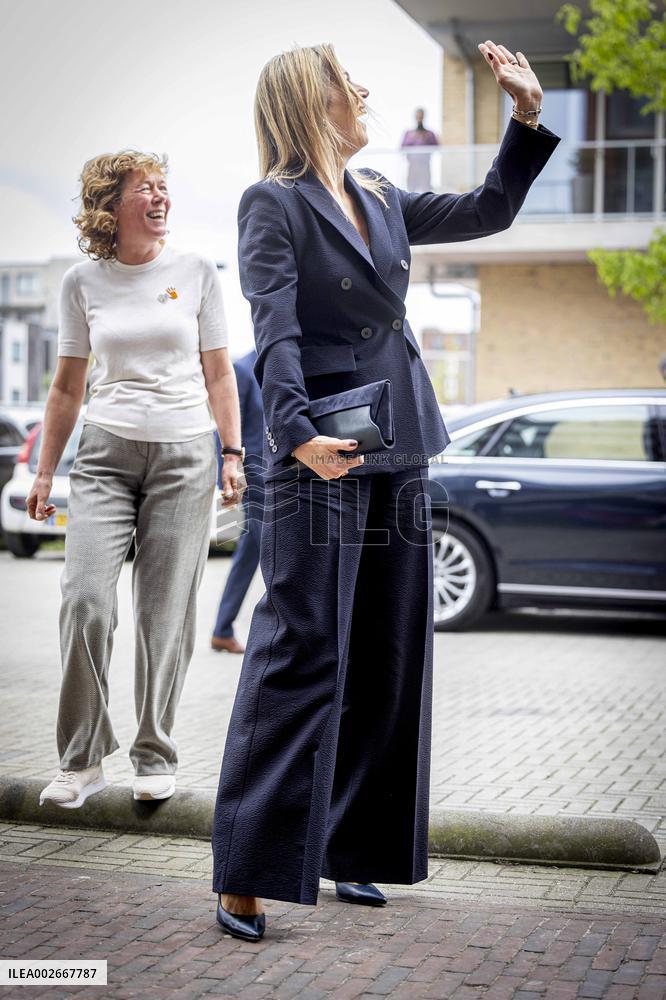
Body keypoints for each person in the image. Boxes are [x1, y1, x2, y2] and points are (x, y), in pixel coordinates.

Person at [211, 40, 560, 941]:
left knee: (387, 656)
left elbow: (487, 209)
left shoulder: (378, 195)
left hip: (398, 441)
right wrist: (295, 437)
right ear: (307, 99)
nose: (363, 91)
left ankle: (353, 850)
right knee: (301, 652)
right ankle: (245, 867)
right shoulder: (273, 202)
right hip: (319, 447)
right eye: (346, 82)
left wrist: (525, 118)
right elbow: (274, 331)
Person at [32, 149, 244, 809]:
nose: (159, 198)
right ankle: (82, 760)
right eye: (144, 188)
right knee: (86, 602)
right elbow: (67, 388)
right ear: (111, 206)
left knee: (164, 617)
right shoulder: (82, 282)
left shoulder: (197, 271)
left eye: (163, 187)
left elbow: (218, 373)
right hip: (104, 453)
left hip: (184, 456)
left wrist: (232, 453)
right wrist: (44, 471)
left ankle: (155, 753)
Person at [211, 348, 266, 654]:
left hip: (278, 476)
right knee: (272, 550)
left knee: (250, 553)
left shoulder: (284, 366)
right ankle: (285, 633)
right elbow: (226, 428)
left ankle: (221, 629)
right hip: (254, 479)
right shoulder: (242, 370)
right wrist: (230, 478)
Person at [400, 107, 439, 192]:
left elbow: (436, 146)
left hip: (424, 166)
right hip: (412, 166)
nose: (419, 119)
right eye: (418, 116)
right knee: (411, 190)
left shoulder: (429, 134)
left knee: (426, 188)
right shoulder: (409, 134)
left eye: (421, 116)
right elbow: (402, 147)